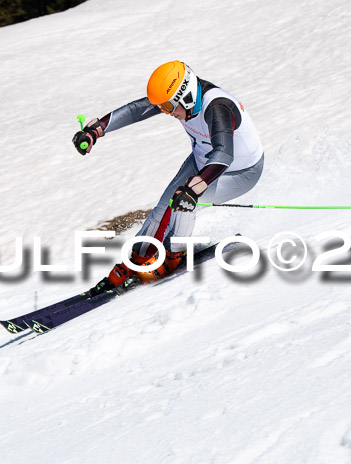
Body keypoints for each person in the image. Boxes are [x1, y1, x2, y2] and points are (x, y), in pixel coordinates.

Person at [73, 60, 264, 295]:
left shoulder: (217, 107)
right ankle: (136, 259)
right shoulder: (181, 101)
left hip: (240, 172)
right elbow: (138, 109)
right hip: (202, 160)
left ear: (186, 97)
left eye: (167, 106)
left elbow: (224, 154)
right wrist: (98, 128)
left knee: (182, 201)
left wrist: (195, 189)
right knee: (162, 209)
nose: (164, 111)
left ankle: (172, 257)